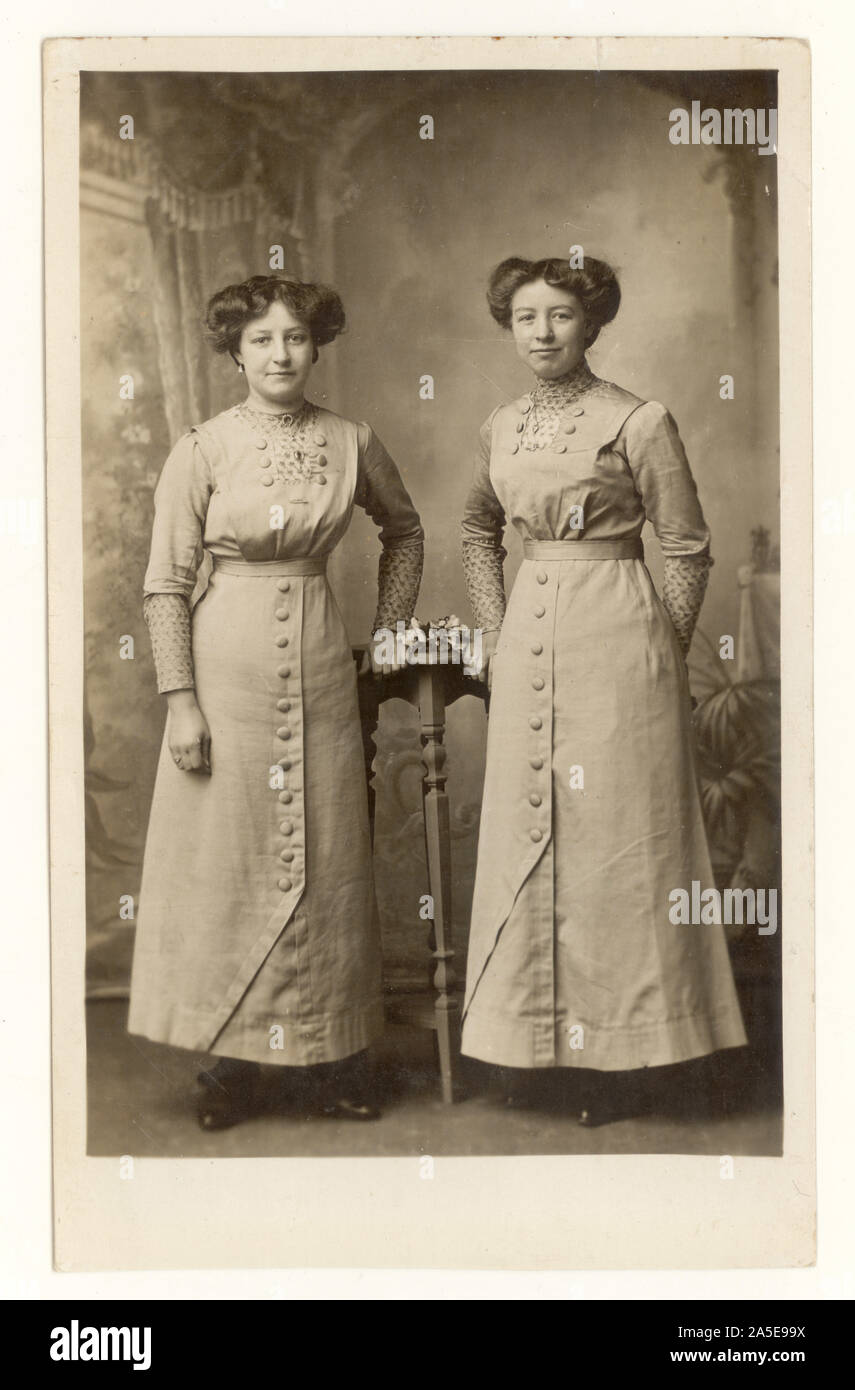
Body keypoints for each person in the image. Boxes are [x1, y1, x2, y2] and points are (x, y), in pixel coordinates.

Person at [128, 274, 424, 1129]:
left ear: (316, 344)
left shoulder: (351, 439)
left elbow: (404, 530)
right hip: (227, 669)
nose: (280, 353)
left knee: (327, 856)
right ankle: (233, 1066)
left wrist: (391, 633)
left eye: (294, 337)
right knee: (234, 860)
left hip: (326, 667)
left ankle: (331, 1059)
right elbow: (164, 584)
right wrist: (181, 700)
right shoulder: (203, 447)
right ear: (235, 351)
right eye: (261, 340)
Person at [460, 254, 747, 1125]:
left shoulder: (638, 419)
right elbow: (478, 528)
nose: (541, 333)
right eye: (524, 318)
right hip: (529, 642)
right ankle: (533, 1047)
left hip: (620, 638)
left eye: (558, 317)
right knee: (530, 836)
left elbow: (688, 544)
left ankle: (629, 1058)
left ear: (591, 324)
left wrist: (662, 645)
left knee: (620, 846)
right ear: (507, 327)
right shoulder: (499, 427)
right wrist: (495, 631)